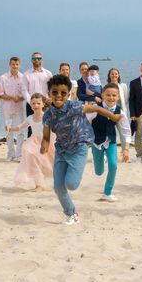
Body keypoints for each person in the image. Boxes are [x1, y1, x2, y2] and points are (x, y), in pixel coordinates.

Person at [41, 75, 122, 225]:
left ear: (68, 94)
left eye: (63, 93)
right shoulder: (48, 115)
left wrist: (113, 117)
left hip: (79, 147)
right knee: (58, 188)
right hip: (61, 151)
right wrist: (44, 145)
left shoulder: (75, 106)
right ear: (49, 93)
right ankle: (72, 213)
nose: (59, 96)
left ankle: (77, 169)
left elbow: (97, 108)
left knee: (71, 184)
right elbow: (46, 136)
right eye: (55, 93)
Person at [87, 83, 132, 202]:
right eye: (108, 95)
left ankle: (107, 193)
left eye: (114, 95)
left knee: (113, 165)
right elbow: (85, 122)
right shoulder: (95, 109)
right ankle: (99, 165)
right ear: (102, 95)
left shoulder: (120, 112)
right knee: (99, 171)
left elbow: (126, 132)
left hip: (111, 141)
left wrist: (126, 150)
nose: (111, 97)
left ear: (118, 97)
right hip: (96, 142)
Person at [8, 93, 55, 191]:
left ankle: (59, 182)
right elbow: (20, 127)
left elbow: (55, 128)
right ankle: (38, 185)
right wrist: (10, 129)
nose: (35, 105)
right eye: (33, 103)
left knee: (51, 163)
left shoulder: (47, 116)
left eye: (38, 103)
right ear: (30, 105)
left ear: (43, 104)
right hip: (34, 142)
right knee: (31, 155)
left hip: (47, 141)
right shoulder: (30, 118)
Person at [0, 57, 28, 162]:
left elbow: (25, 93)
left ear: (19, 65)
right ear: (9, 65)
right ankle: (10, 154)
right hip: (8, 109)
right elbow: (1, 94)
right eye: (13, 64)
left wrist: (19, 98)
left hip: (19, 109)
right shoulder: (3, 77)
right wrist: (12, 98)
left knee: (20, 131)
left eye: (17, 64)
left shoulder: (23, 77)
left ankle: (19, 154)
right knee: (8, 131)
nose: (15, 66)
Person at [24, 52, 52, 137]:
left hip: (45, 105)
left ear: (42, 60)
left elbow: (50, 89)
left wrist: (46, 101)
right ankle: (31, 149)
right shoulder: (26, 74)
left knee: (46, 126)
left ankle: (45, 149)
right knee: (31, 128)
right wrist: (32, 102)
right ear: (31, 60)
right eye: (34, 58)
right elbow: (24, 91)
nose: (37, 60)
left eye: (39, 58)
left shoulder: (48, 74)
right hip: (31, 105)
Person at [107, 67, 131, 159]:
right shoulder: (107, 87)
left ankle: (125, 154)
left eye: (116, 73)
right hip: (109, 113)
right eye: (112, 73)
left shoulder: (123, 86)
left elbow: (125, 100)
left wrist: (121, 111)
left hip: (121, 112)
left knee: (123, 134)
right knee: (109, 133)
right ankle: (107, 155)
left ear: (118, 75)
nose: (114, 75)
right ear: (109, 75)